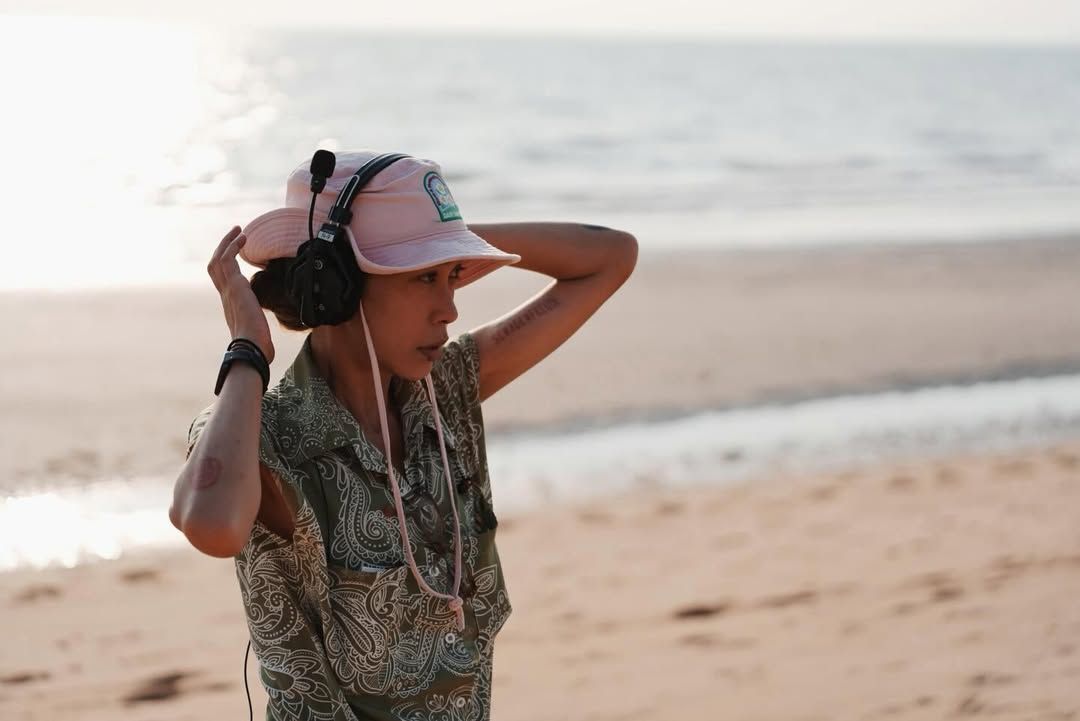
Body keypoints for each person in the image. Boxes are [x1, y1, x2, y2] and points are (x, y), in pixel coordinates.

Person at [170, 150, 637, 720]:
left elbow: (611, 257)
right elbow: (212, 524)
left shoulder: (445, 395)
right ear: (340, 285)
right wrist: (247, 351)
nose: (449, 310)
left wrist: (440, 239)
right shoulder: (265, 432)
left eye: (452, 277)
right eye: (423, 278)